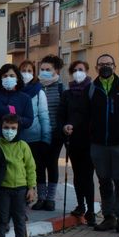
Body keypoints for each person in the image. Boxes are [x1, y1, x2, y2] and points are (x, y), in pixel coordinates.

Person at [76, 54, 119, 233]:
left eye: (108, 64)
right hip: (98, 144)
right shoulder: (91, 89)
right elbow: (83, 116)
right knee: (104, 181)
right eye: (101, 64)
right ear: (96, 68)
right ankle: (109, 217)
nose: (105, 67)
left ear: (115, 66)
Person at [0, 114, 36, 237]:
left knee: (19, 220)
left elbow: (31, 168)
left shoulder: (23, 146)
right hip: (3, 189)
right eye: (6, 128)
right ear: (1, 128)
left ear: (18, 129)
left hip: (20, 189)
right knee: (1, 220)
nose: (9, 131)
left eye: (13, 128)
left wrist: (31, 188)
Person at [59, 61, 96, 225]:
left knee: (87, 175)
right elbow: (61, 114)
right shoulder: (67, 94)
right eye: (74, 70)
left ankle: (91, 211)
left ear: (87, 71)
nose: (77, 72)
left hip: (89, 140)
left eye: (80, 70)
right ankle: (80, 205)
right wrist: (64, 126)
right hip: (72, 139)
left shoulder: (92, 91)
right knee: (77, 174)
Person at [18, 60, 53, 211]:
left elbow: (44, 115)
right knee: (21, 171)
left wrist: (46, 138)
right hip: (18, 137)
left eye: (29, 71)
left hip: (35, 137)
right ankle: (23, 200)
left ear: (34, 74)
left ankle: (41, 197)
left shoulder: (39, 91)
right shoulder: (15, 89)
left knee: (37, 169)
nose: (26, 73)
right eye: (23, 70)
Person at [34, 55, 65, 213]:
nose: (45, 72)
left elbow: (64, 111)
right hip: (38, 134)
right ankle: (41, 197)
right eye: (43, 69)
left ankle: (50, 199)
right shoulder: (35, 87)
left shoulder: (61, 88)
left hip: (55, 134)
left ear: (56, 71)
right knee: (39, 166)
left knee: (51, 164)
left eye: (48, 69)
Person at [0, 64, 34, 140]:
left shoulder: (25, 98)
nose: (8, 78)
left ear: (17, 78)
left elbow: (29, 121)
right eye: (5, 76)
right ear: (0, 78)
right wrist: (1, 111)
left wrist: (15, 117)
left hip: (16, 142)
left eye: (12, 76)